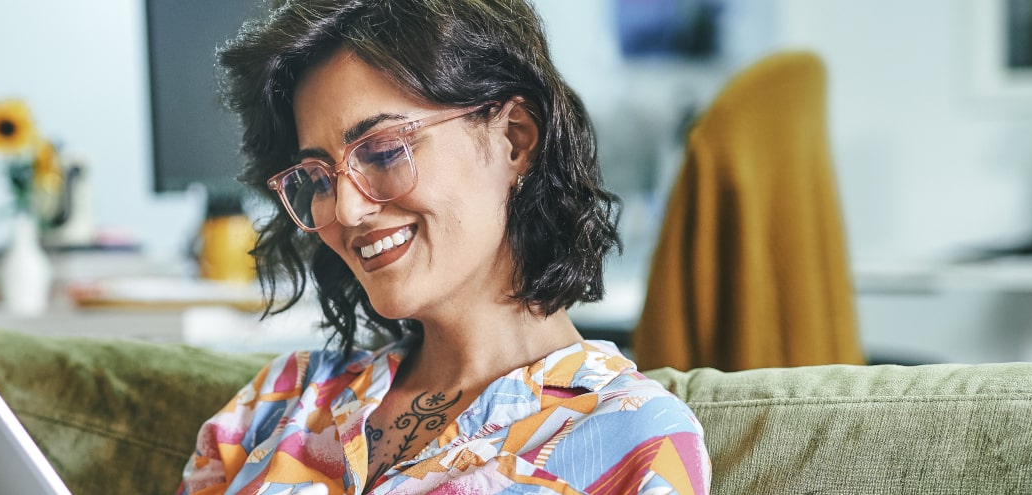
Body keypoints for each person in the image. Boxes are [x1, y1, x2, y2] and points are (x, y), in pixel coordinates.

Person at [176, 0, 709, 494]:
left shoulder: (633, 437)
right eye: (319, 178)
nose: (345, 209)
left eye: (383, 151)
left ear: (515, 138)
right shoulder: (283, 398)